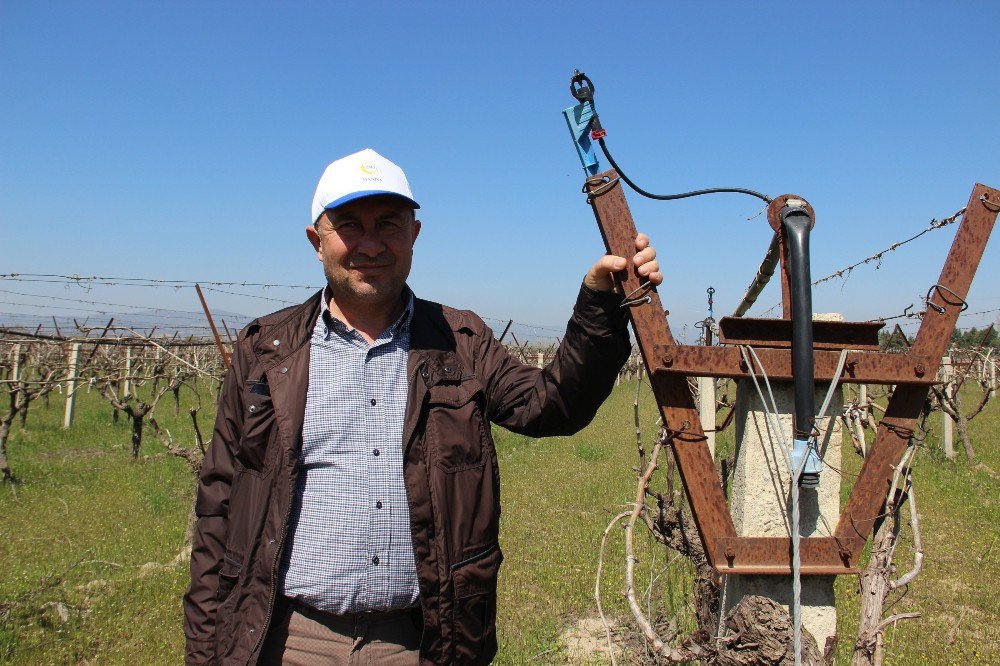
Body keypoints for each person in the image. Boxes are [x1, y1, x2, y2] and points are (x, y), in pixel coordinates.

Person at [183, 148, 662, 665]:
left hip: (420, 642)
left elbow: (553, 406)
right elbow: (219, 502)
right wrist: (207, 650)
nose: (371, 243)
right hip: (289, 638)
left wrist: (600, 304)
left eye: (388, 224)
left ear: (414, 234)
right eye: (349, 225)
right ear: (315, 241)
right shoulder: (265, 350)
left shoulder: (460, 342)